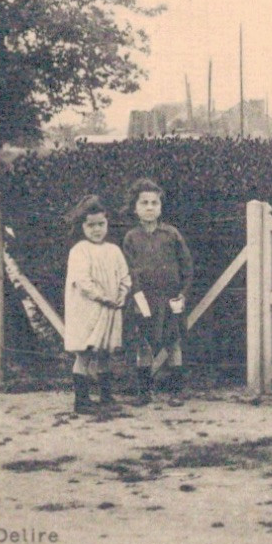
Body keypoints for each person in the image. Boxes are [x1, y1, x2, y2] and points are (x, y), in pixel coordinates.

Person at [121, 178, 194, 404]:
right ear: (135, 208)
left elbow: (187, 266)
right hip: (144, 299)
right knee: (144, 342)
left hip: (170, 298)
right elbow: (128, 270)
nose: (150, 207)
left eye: (154, 203)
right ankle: (144, 392)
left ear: (161, 207)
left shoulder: (171, 234)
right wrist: (137, 297)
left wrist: (183, 293)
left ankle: (176, 391)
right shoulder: (131, 238)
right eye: (144, 203)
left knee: (173, 342)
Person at [61, 195, 131, 416]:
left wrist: (122, 294)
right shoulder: (79, 251)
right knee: (84, 353)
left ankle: (106, 396)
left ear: (107, 223)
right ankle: (81, 400)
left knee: (104, 354)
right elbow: (83, 282)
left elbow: (125, 276)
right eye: (91, 225)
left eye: (101, 224)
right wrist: (103, 297)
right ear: (82, 226)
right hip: (88, 310)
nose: (96, 229)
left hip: (109, 310)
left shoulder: (113, 250)